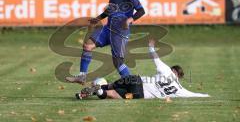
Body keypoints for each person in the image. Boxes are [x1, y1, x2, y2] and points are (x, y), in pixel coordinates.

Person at [65, 0, 145, 84]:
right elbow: (110, 10)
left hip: (120, 32)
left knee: (118, 62)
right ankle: (82, 76)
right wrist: (98, 18)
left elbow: (141, 11)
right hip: (108, 29)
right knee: (87, 45)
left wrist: (130, 20)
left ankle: (131, 84)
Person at [76, 39, 210, 99]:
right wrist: (206, 95)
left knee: (111, 85)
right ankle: (99, 92)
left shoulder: (166, 70)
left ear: (172, 69)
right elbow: (193, 94)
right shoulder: (180, 89)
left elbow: (156, 59)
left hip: (136, 79)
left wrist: (151, 47)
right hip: (140, 93)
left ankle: (98, 88)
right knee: (115, 95)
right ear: (178, 77)